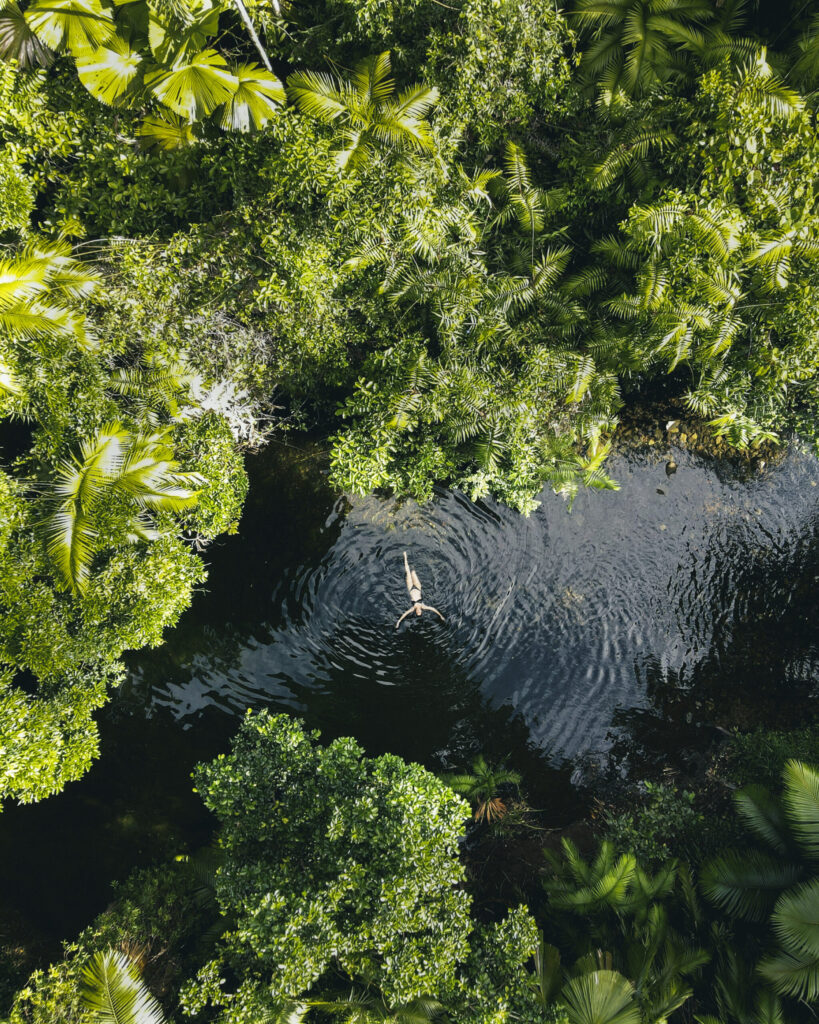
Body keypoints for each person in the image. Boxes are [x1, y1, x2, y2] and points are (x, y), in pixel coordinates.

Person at [396, 551, 445, 628]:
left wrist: (398, 622)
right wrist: (441, 616)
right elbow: (433, 609)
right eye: (420, 612)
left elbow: (405, 614)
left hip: (411, 588)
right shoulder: (423, 606)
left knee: (408, 572)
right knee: (413, 572)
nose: (418, 611)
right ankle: (414, 559)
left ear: (416, 612)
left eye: (417, 612)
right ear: (421, 611)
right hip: (418, 587)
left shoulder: (413, 608)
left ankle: (405, 557)